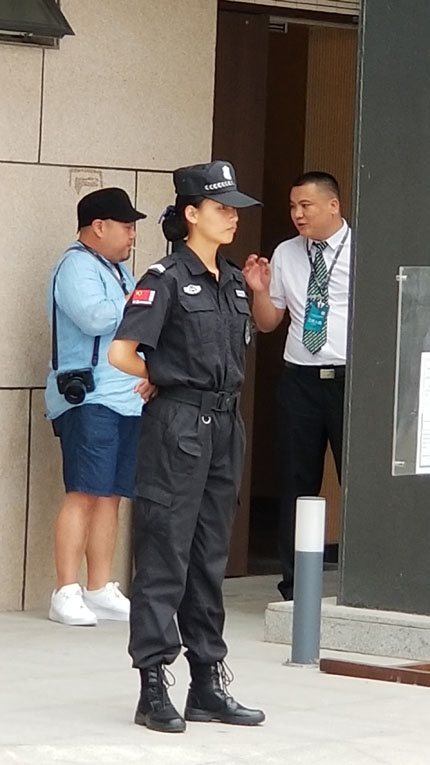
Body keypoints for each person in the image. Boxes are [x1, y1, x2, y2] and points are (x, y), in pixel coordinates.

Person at [108, 161, 265, 733]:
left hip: (223, 426)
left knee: (208, 557)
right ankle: (152, 685)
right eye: (222, 208)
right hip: (178, 426)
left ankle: (207, 683)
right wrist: (164, 375)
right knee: (164, 554)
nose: (233, 217)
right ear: (192, 214)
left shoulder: (232, 281)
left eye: (235, 209)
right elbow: (122, 353)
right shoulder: (166, 277)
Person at [46, 187, 152, 626]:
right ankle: (65, 589)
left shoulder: (119, 270)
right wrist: (139, 300)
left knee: (111, 496)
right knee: (84, 492)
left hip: (126, 398)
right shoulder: (75, 265)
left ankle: (99, 587)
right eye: (126, 227)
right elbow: (94, 317)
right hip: (89, 397)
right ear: (99, 227)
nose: (132, 236)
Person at [243, 171, 351, 602]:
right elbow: (268, 322)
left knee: (355, 481)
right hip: (300, 378)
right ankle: (293, 589)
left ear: (333, 205)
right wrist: (259, 291)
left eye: (306, 205)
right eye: (293, 207)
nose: (297, 214)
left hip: (349, 378)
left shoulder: (362, 248)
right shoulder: (286, 252)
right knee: (295, 482)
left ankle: (361, 582)